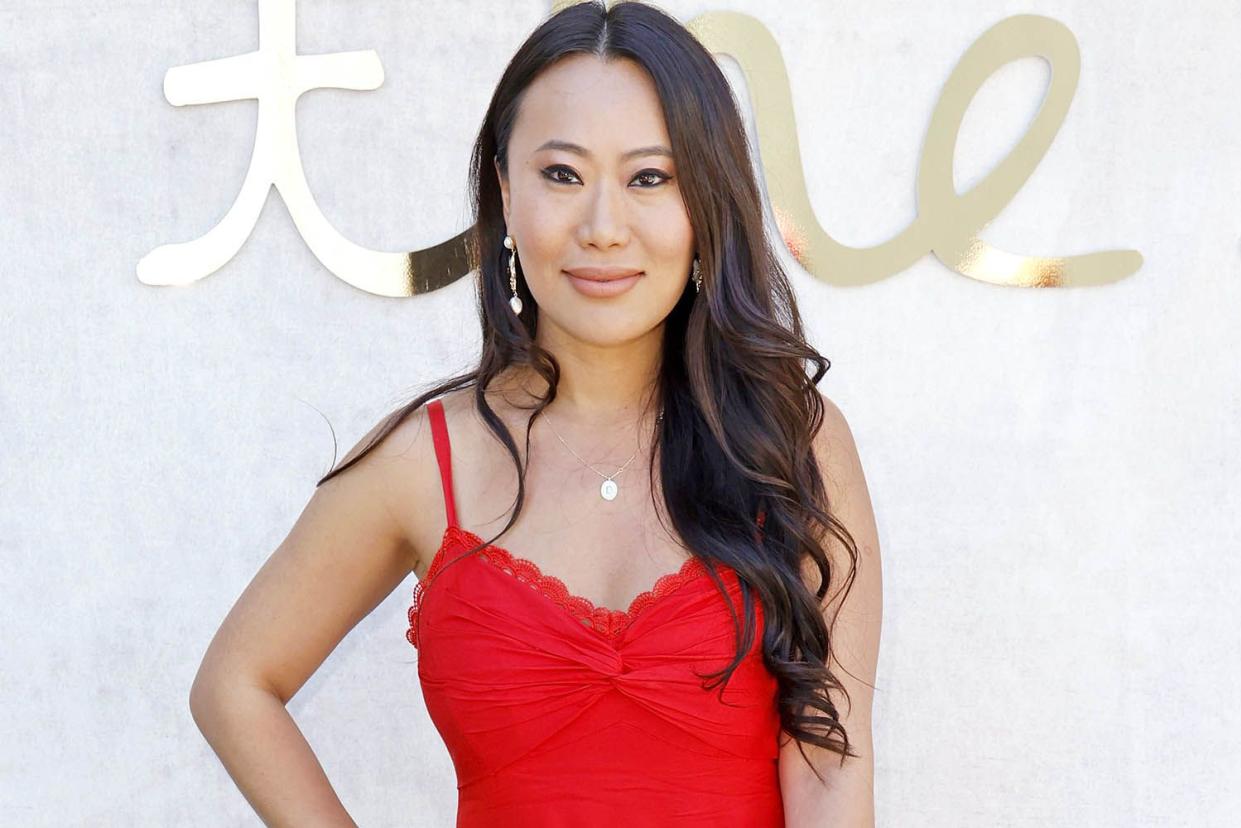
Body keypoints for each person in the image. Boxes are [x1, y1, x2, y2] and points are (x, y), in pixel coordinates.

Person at [189, 2, 882, 825]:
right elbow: (236, 684)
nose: (602, 227)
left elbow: (832, 761)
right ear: (505, 192)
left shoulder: (792, 440)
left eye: (650, 178)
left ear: (707, 205)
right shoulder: (425, 461)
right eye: (562, 175)